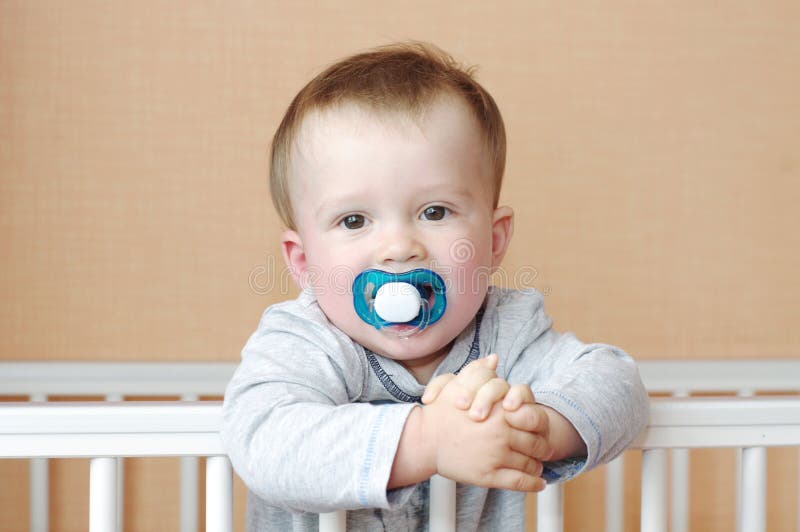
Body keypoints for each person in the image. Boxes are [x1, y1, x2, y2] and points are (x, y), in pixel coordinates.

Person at [221, 41, 649, 531]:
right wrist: (427, 441)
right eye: (354, 219)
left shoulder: (506, 333)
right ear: (303, 261)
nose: (399, 247)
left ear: (492, 240)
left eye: (434, 212)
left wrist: (538, 429)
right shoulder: (302, 342)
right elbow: (266, 442)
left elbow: (619, 384)